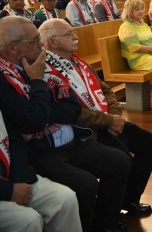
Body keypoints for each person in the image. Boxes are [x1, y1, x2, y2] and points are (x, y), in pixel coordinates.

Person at [0, 17, 130, 232]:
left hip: (68, 137)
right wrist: (38, 84)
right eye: (34, 40)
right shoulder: (7, 78)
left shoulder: (43, 64)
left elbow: (71, 107)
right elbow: (33, 121)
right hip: (41, 150)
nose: (40, 44)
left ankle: (105, 225)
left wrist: (42, 113)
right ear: (12, 48)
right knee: (85, 185)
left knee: (119, 161)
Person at [39, 18, 152, 217]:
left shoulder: (79, 62)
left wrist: (114, 116)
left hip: (106, 120)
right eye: (69, 34)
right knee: (121, 160)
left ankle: (129, 200)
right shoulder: (47, 71)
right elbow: (73, 113)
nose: (76, 36)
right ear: (52, 42)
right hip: (86, 130)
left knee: (151, 143)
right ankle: (107, 215)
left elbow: (106, 90)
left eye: (74, 32)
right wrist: (109, 121)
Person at [0, 108, 82, 232]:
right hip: (5, 189)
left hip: (13, 177)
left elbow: (14, 141)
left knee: (65, 198)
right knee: (28, 220)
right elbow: (35, 118)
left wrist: (19, 179)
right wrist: (9, 191)